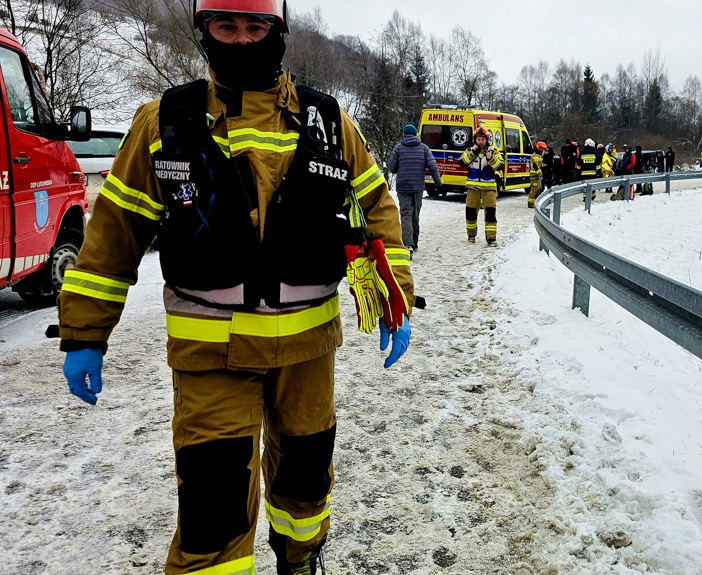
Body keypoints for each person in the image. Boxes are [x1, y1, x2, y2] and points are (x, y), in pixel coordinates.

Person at [57, 2, 416, 573]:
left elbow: (376, 210)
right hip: (210, 355)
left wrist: (395, 294)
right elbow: (112, 236)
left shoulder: (329, 122)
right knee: (213, 510)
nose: (242, 41)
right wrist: (84, 330)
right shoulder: (163, 122)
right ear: (204, 31)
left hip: (307, 352)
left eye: (256, 27)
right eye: (226, 26)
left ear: (279, 31)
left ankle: (300, 562)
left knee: (305, 486)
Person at [388, 124, 442, 257]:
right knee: (415, 215)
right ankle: (414, 242)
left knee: (405, 214)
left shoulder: (398, 148)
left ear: (404, 134)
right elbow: (433, 166)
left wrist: (399, 169)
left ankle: (408, 244)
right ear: (416, 134)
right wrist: (438, 183)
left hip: (403, 187)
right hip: (418, 188)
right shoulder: (424, 148)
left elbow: (391, 167)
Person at [459, 126, 503, 245]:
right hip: (472, 188)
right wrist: (472, 153)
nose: (480, 142)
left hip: (489, 188)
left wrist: (491, 159)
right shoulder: (470, 150)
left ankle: (491, 238)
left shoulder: (493, 151)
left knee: (490, 213)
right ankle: (471, 235)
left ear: (486, 139)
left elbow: (501, 166)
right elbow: (461, 163)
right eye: (478, 139)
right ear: (475, 140)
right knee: (470, 213)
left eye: (482, 139)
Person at [527, 141, 545, 208]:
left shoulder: (538, 156)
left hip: (537, 176)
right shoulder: (536, 156)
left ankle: (535, 202)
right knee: (534, 190)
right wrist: (539, 173)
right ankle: (530, 203)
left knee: (538, 189)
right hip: (534, 176)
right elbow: (535, 166)